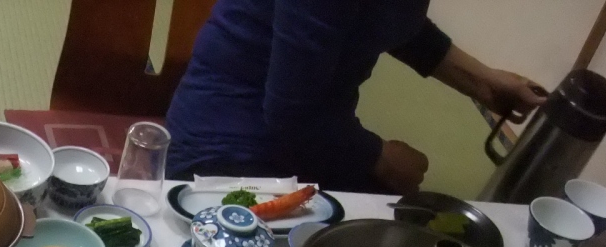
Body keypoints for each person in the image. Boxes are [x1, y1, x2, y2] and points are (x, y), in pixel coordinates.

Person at [165, 0, 546, 193]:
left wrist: (484, 83)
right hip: (229, 141)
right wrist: (379, 157)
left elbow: (396, 20)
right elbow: (290, 114)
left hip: (311, 132)